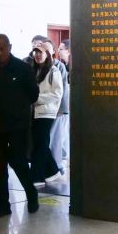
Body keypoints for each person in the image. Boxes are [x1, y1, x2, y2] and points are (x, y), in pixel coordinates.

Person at [0, 34, 39, 219]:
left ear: (9, 47)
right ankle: (2, 206)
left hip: (17, 124)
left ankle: (31, 193)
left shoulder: (22, 68)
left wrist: (17, 106)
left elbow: (33, 94)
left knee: (18, 161)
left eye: (2, 49)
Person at [28, 42, 63, 186]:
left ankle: (36, 177)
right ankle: (53, 172)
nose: (37, 55)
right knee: (40, 143)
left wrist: (37, 98)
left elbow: (57, 94)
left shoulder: (54, 71)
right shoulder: (34, 70)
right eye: (35, 52)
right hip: (34, 112)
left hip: (47, 112)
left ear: (47, 54)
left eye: (40, 52)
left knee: (40, 144)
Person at [50, 38, 70, 173]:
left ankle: (61, 162)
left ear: (68, 51)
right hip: (59, 107)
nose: (58, 51)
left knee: (61, 136)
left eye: (61, 49)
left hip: (63, 107)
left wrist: (63, 109)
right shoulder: (62, 64)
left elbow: (64, 90)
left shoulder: (62, 66)